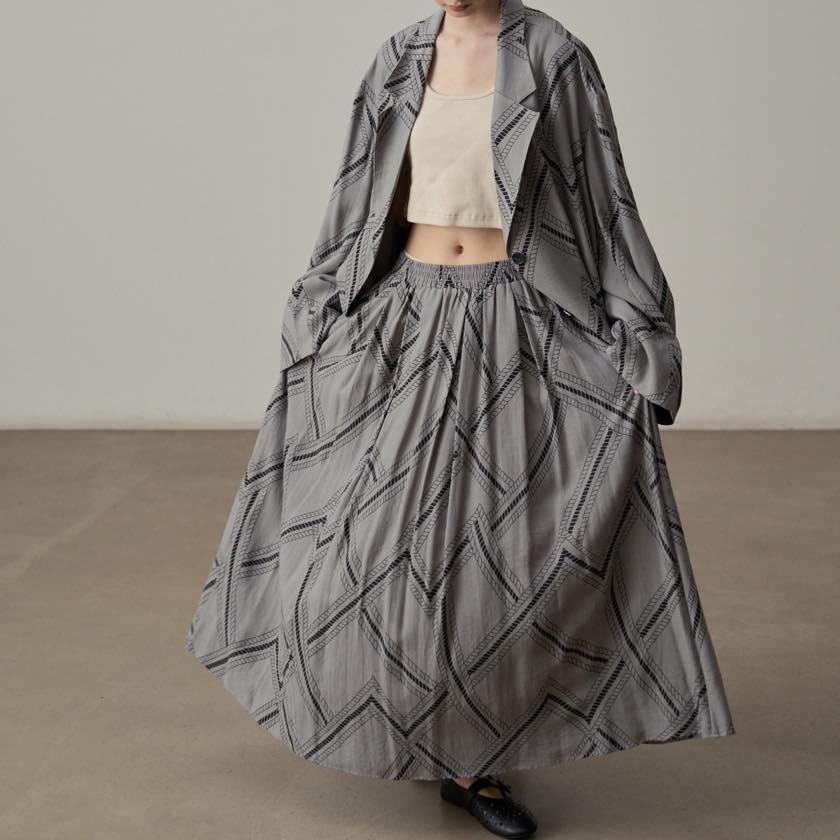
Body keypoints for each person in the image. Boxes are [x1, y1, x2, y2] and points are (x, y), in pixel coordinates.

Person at [185, 2, 735, 837]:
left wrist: (634, 337)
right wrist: (324, 308)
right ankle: (400, 721)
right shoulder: (399, 57)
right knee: (364, 558)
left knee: (494, 563)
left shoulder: (553, 56)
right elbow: (357, 195)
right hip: (406, 318)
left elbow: (604, 199)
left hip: (517, 322)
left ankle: (473, 764)